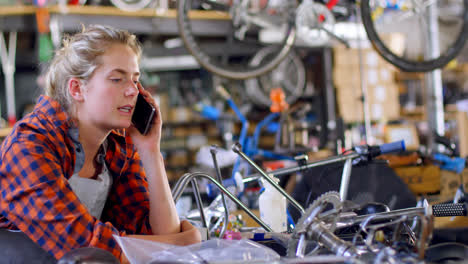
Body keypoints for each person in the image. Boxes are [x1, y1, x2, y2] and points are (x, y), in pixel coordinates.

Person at [0, 24, 201, 262]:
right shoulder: (30, 146)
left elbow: (156, 233)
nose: (132, 91)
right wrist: (183, 242)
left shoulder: (117, 147)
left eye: (135, 80)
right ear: (77, 88)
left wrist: (150, 150)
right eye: (117, 79)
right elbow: (88, 249)